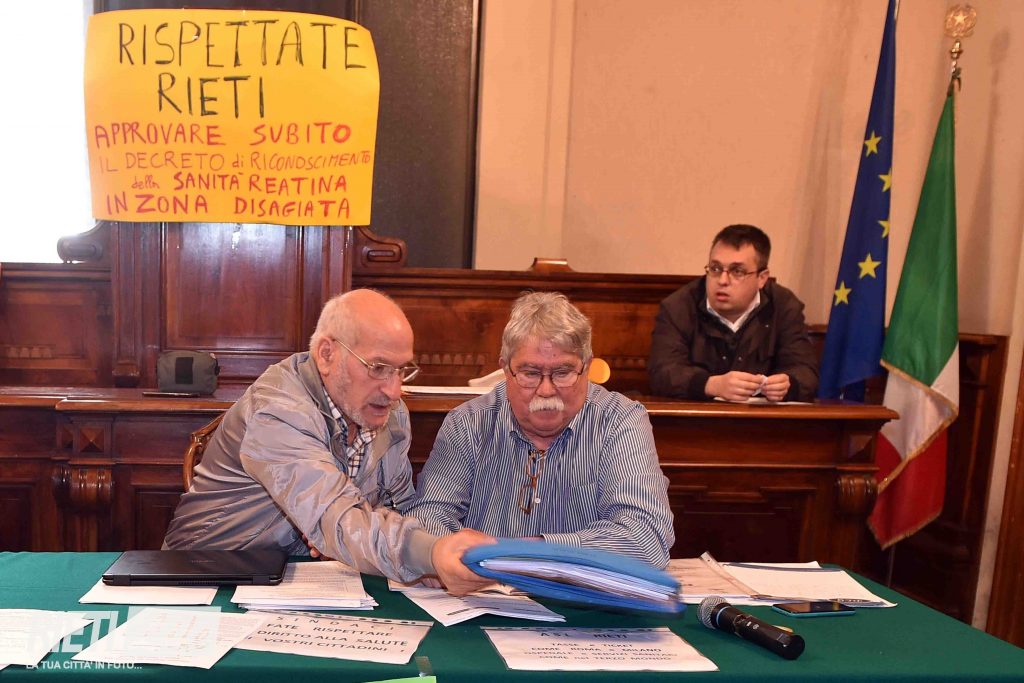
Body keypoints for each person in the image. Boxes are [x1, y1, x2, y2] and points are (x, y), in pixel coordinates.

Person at [163, 289, 492, 595]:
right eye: (378, 368)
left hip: (308, 585)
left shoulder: (391, 414)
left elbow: (398, 506)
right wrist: (428, 553)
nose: (394, 391)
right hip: (206, 582)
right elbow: (333, 514)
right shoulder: (278, 410)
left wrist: (435, 552)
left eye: (401, 370)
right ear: (326, 354)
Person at [405, 292, 674, 568]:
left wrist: (529, 551)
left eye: (563, 373)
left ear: (587, 368)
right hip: (483, 587)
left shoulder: (619, 421)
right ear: (505, 370)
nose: (546, 390)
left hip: (575, 592)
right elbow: (426, 519)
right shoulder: (468, 423)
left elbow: (646, 540)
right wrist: (448, 556)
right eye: (530, 373)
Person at [648, 224, 818, 402]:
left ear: (762, 278)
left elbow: (806, 372)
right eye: (715, 269)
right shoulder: (678, 307)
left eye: (737, 271)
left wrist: (788, 385)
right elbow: (662, 372)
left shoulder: (783, 306)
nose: (722, 280)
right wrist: (711, 385)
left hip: (763, 417)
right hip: (698, 417)